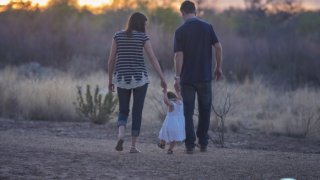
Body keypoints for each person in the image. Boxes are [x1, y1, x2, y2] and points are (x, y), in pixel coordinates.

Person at [108, 12, 167, 153]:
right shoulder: (143, 37)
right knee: (137, 112)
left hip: (122, 78)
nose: (145, 27)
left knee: (123, 110)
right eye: (144, 24)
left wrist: (110, 80)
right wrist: (162, 78)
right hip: (140, 78)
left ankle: (121, 135)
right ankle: (132, 146)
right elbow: (153, 59)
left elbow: (111, 60)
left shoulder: (117, 36)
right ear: (140, 23)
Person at [173, 1, 223, 154]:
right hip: (205, 77)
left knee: (187, 111)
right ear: (195, 12)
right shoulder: (207, 27)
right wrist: (218, 67)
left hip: (187, 78)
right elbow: (218, 47)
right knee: (205, 110)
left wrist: (177, 77)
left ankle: (189, 145)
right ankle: (203, 142)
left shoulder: (180, 31)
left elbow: (178, 55)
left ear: (182, 13)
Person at [157, 89, 185, 154]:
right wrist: (178, 93)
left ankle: (162, 144)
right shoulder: (180, 102)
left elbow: (166, 101)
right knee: (173, 138)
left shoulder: (171, 104)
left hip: (170, 123)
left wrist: (164, 93)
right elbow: (180, 98)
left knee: (163, 134)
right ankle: (170, 149)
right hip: (178, 124)